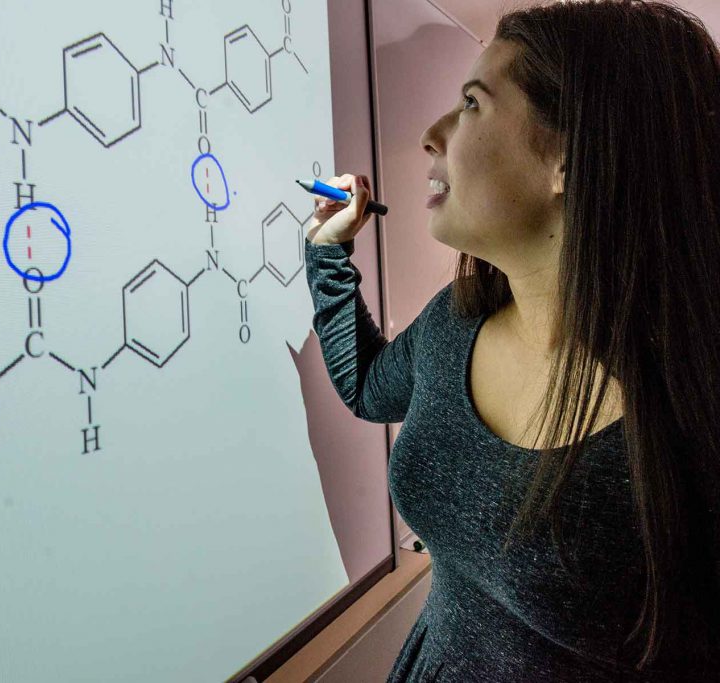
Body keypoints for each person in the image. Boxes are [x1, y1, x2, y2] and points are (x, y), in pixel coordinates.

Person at [303, 0, 720, 680]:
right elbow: (369, 386)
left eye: (471, 105)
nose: (432, 135)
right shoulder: (456, 322)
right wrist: (326, 253)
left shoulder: (693, 413)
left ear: (570, 156)